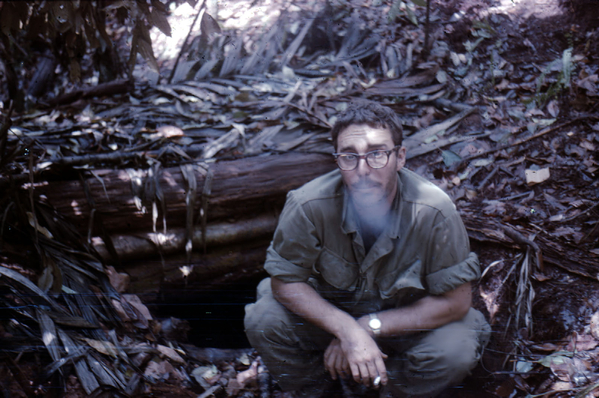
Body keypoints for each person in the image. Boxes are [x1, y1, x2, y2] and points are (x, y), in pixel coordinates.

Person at [244, 100, 490, 397]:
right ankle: (323, 392)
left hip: (406, 327)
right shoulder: (307, 205)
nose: (362, 169)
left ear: (400, 157)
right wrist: (346, 330)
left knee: (456, 349)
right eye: (349, 156)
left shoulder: (434, 211)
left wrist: (366, 327)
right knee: (264, 319)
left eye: (377, 154)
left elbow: (456, 302)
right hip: (329, 324)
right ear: (337, 161)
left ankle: (387, 391)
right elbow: (284, 283)